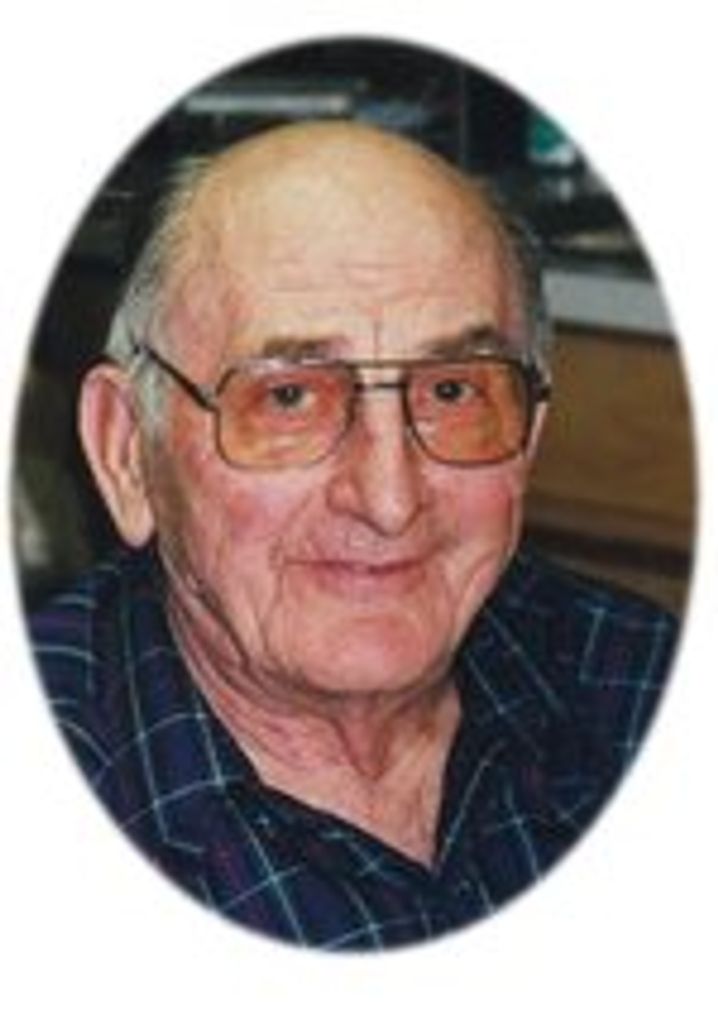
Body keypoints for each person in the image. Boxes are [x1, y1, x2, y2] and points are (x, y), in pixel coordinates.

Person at [29, 121, 677, 952]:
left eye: (452, 391)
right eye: (289, 398)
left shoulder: (639, 684)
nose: (388, 500)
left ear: (529, 438)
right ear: (128, 452)